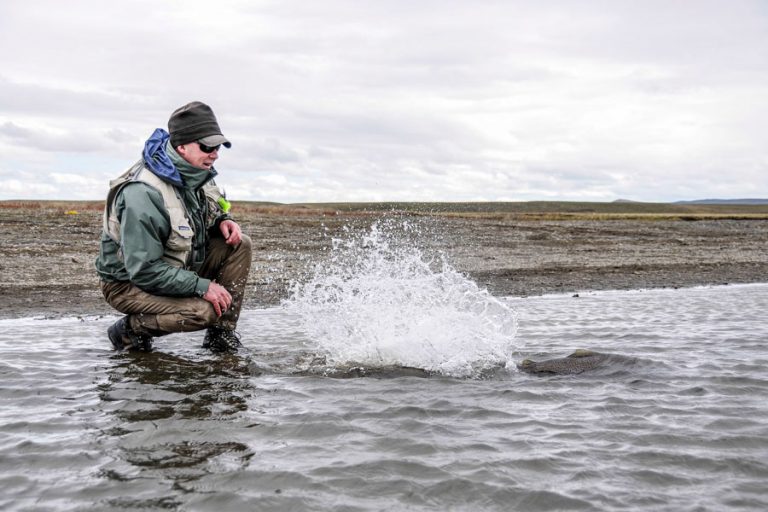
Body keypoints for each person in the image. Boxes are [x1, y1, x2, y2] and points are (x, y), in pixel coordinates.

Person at [95, 101, 252, 353]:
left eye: (218, 146)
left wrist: (224, 219)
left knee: (239, 244)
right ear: (181, 147)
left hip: (174, 266)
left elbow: (214, 204)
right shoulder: (143, 194)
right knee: (203, 312)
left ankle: (220, 335)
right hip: (128, 284)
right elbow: (144, 270)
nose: (215, 154)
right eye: (207, 146)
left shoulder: (198, 171)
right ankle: (129, 330)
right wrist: (202, 286)